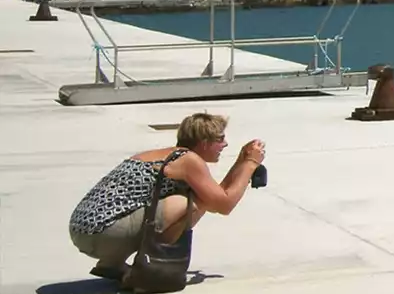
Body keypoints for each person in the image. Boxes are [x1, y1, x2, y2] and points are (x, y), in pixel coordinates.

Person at [68, 112, 265, 283]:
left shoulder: (170, 155)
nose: (225, 144)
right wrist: (250, 163)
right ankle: (151, 269)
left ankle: (112, 264)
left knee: (198, 199)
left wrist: (242, 160)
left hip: (87, 230)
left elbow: (216, 197)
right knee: (187, 204)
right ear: (204, 143)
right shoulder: (188, 160)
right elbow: (223, 205)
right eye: (220, 139)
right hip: (102, 232)